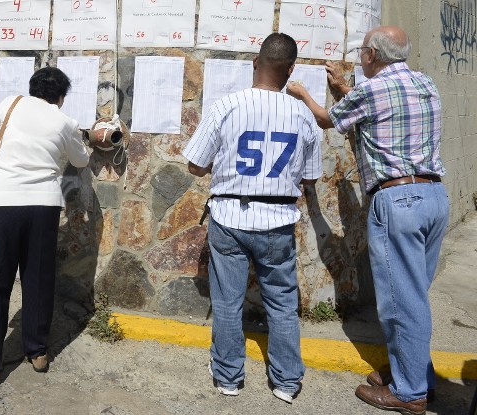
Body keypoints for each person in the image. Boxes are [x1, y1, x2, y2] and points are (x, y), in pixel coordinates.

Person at [287, 26, 447, 415]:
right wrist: (344, 87)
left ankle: (410, 394)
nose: (360, 56)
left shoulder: (371, 91)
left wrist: (303, 93)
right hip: (433, 197)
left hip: (399, 200)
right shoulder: (424, 82)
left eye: (362, 51)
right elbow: (376, 112)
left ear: (373, 55)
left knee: (400, 302)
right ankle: (412, 372)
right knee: (414, 296)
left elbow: (327, 120)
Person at [182, 33, 322, 403]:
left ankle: (229, 377)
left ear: (255, 63)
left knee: (227, 301)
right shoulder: (303, 114)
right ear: (290, 70)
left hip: (229, 214)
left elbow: (196, 164)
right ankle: (287, 381)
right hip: (277, 217)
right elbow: (310, 176)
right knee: (282, 302)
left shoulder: (226, 105)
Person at [0, 68, 89, 386]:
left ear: (32, 89)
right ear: (60, 97)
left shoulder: (9, 105)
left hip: (3, 202)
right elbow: (81, 160)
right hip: (43, 206)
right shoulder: (64, 121)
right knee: (39, 278)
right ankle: (37, 351)